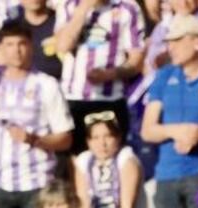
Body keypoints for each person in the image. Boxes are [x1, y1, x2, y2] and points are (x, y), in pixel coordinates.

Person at [0, 19, 73, 208]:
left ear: (31, 46)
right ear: (0, 48)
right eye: (9, 44)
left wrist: (34, 140)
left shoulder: (47, 85)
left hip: (37, 183)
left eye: (22, 43)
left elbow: (65, 138)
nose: (16, 50)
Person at [141, 14, 198, 208]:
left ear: (197, 43)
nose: (170, 47)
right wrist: (179, 131)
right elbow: (148, 129)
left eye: (177, 41)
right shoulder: (164, 75)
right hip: (166, 173)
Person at [54, 0, 145, 148]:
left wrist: (110, 74)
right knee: (76, 161)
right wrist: (84, 8)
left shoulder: (128, 7)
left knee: (113, 159)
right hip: (73, 98)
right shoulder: (69, 5)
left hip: (111, 99)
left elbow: (136, 61)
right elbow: (63, 46)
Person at [77, 108, 152, 208]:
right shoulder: (83, 161)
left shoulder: (127, 159)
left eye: (108, 136)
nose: (102, 143)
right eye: (95, 138)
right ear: (88, 141)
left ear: (118, 137)